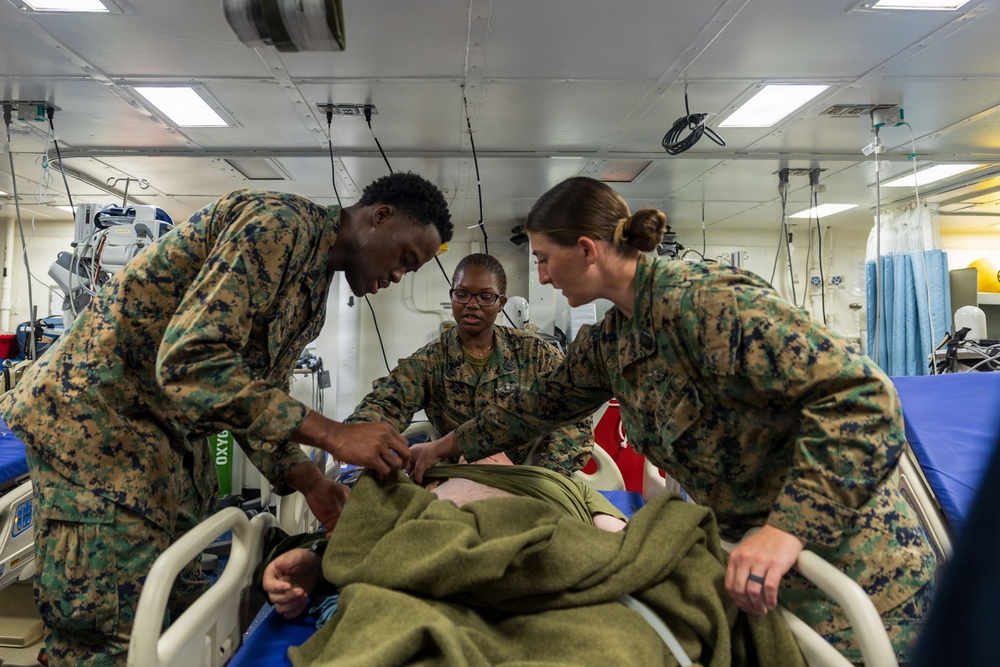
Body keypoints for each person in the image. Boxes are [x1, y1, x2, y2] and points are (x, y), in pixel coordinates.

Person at [410, 176, 936, 664]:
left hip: (855, 569)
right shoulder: (616, 338)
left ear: (587, 251)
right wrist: (445, 446)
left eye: (546, 258)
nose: (542, 274)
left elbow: (864, 397)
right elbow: (539, 403)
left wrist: (785, 531)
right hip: (752, 566)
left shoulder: (708, 306)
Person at [0, 172, 453, 667]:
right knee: (107, 630)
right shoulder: (280, 223)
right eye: (405, 259)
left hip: (163, 437)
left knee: (180, 600)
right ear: (379, 217)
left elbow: (255, 398)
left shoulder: (309, 287)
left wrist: (310, 483)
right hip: (94, 430)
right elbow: (190, 362)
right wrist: (335, 435)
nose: (398, 276)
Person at [261, 460, 628, 622]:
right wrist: (316, 562)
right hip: (431, 561)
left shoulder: (556, 481)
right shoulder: (423, 481)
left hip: (531, 563)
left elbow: (619, 547)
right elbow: (358, 533)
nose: (490, 449)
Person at [345, 252, 593, 475]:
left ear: (502, 303)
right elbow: (387, 402)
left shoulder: (534, 353)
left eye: (485, 297)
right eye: (461, 294)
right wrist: (359, 436)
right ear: (451, 296)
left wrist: (549, 474)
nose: (471, 304)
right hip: (454, 476)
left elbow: (574, 415)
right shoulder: (431, 361)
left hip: (520, 476)